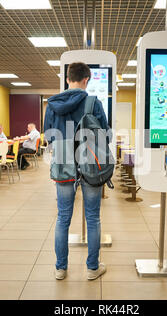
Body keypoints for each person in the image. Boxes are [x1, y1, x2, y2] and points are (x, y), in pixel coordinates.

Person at [44, 62, 108, 281]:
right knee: (92, 218)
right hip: (90, 165)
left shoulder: (52, 104)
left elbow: (49, 137)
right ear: (86, 79)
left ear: (67, 78)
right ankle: (92, 268)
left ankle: (60, 269)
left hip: (63, 166)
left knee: (63, 218)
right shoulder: (93, 102)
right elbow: (105, 134)